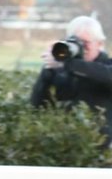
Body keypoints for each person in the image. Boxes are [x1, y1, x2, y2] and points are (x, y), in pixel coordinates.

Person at [29, 13, 112, 148]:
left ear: (100, 44)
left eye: (86, 43)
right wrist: (48, 71)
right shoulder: (62, 69)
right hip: (65, 146)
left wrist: (68, 64)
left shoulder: (107, 66)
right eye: (75, 43)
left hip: (102, 149)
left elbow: (106, 76)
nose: (81, 48)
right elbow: (37, 106)